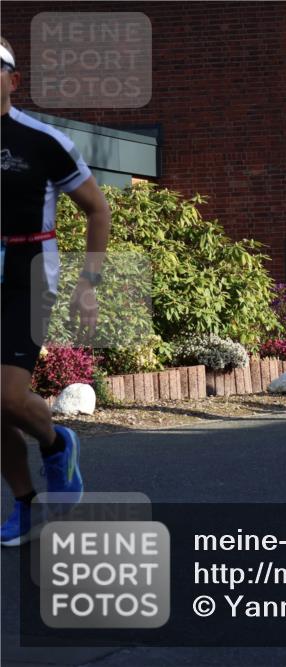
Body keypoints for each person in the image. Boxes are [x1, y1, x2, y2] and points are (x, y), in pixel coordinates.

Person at [2, 38, 111, 546]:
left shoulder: (42, 140)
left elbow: (97, 209)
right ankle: (24, 505)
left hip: (29, 269)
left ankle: (55, 440)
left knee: (6, 395)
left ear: (13, 80)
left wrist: (88, 283)